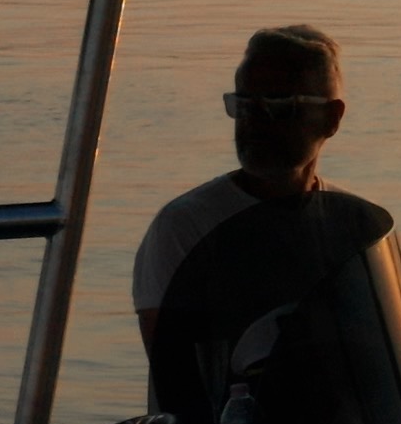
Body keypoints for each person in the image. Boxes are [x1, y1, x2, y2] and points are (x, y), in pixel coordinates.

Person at [132, 24, 352, 351]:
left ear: (331, 118)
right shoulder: (186, 226)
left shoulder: (354, 226)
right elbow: (176, 372)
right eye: (245, 103)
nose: (255, 121)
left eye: (279, 104)